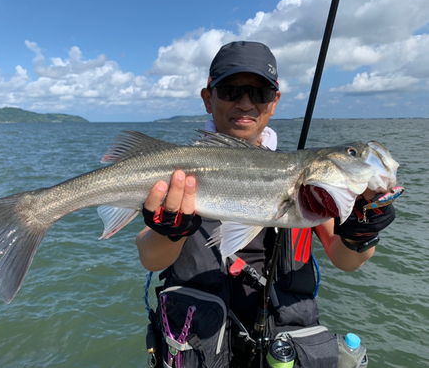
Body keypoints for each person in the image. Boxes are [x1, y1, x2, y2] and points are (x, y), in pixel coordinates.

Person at [136, 41, 395, 368]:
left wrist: (360, 233)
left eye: (259, 93)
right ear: (207, 98)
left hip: (283, 349)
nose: (245, 103)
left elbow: (346, 260)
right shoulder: (180, 171)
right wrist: (167, 232)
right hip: (199, 345)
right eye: (231, 90)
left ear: (274, 102)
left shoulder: (310, 185)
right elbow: (150, 256)